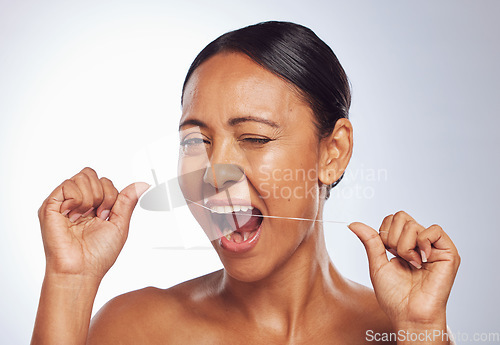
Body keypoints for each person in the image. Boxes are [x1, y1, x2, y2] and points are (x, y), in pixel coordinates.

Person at [31, 21, 460, 345]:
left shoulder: (396, 331)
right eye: (195, 141)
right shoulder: (137, 328)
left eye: (254, 138)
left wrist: (423, 330)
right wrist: (70, 281)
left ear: (333, 153)